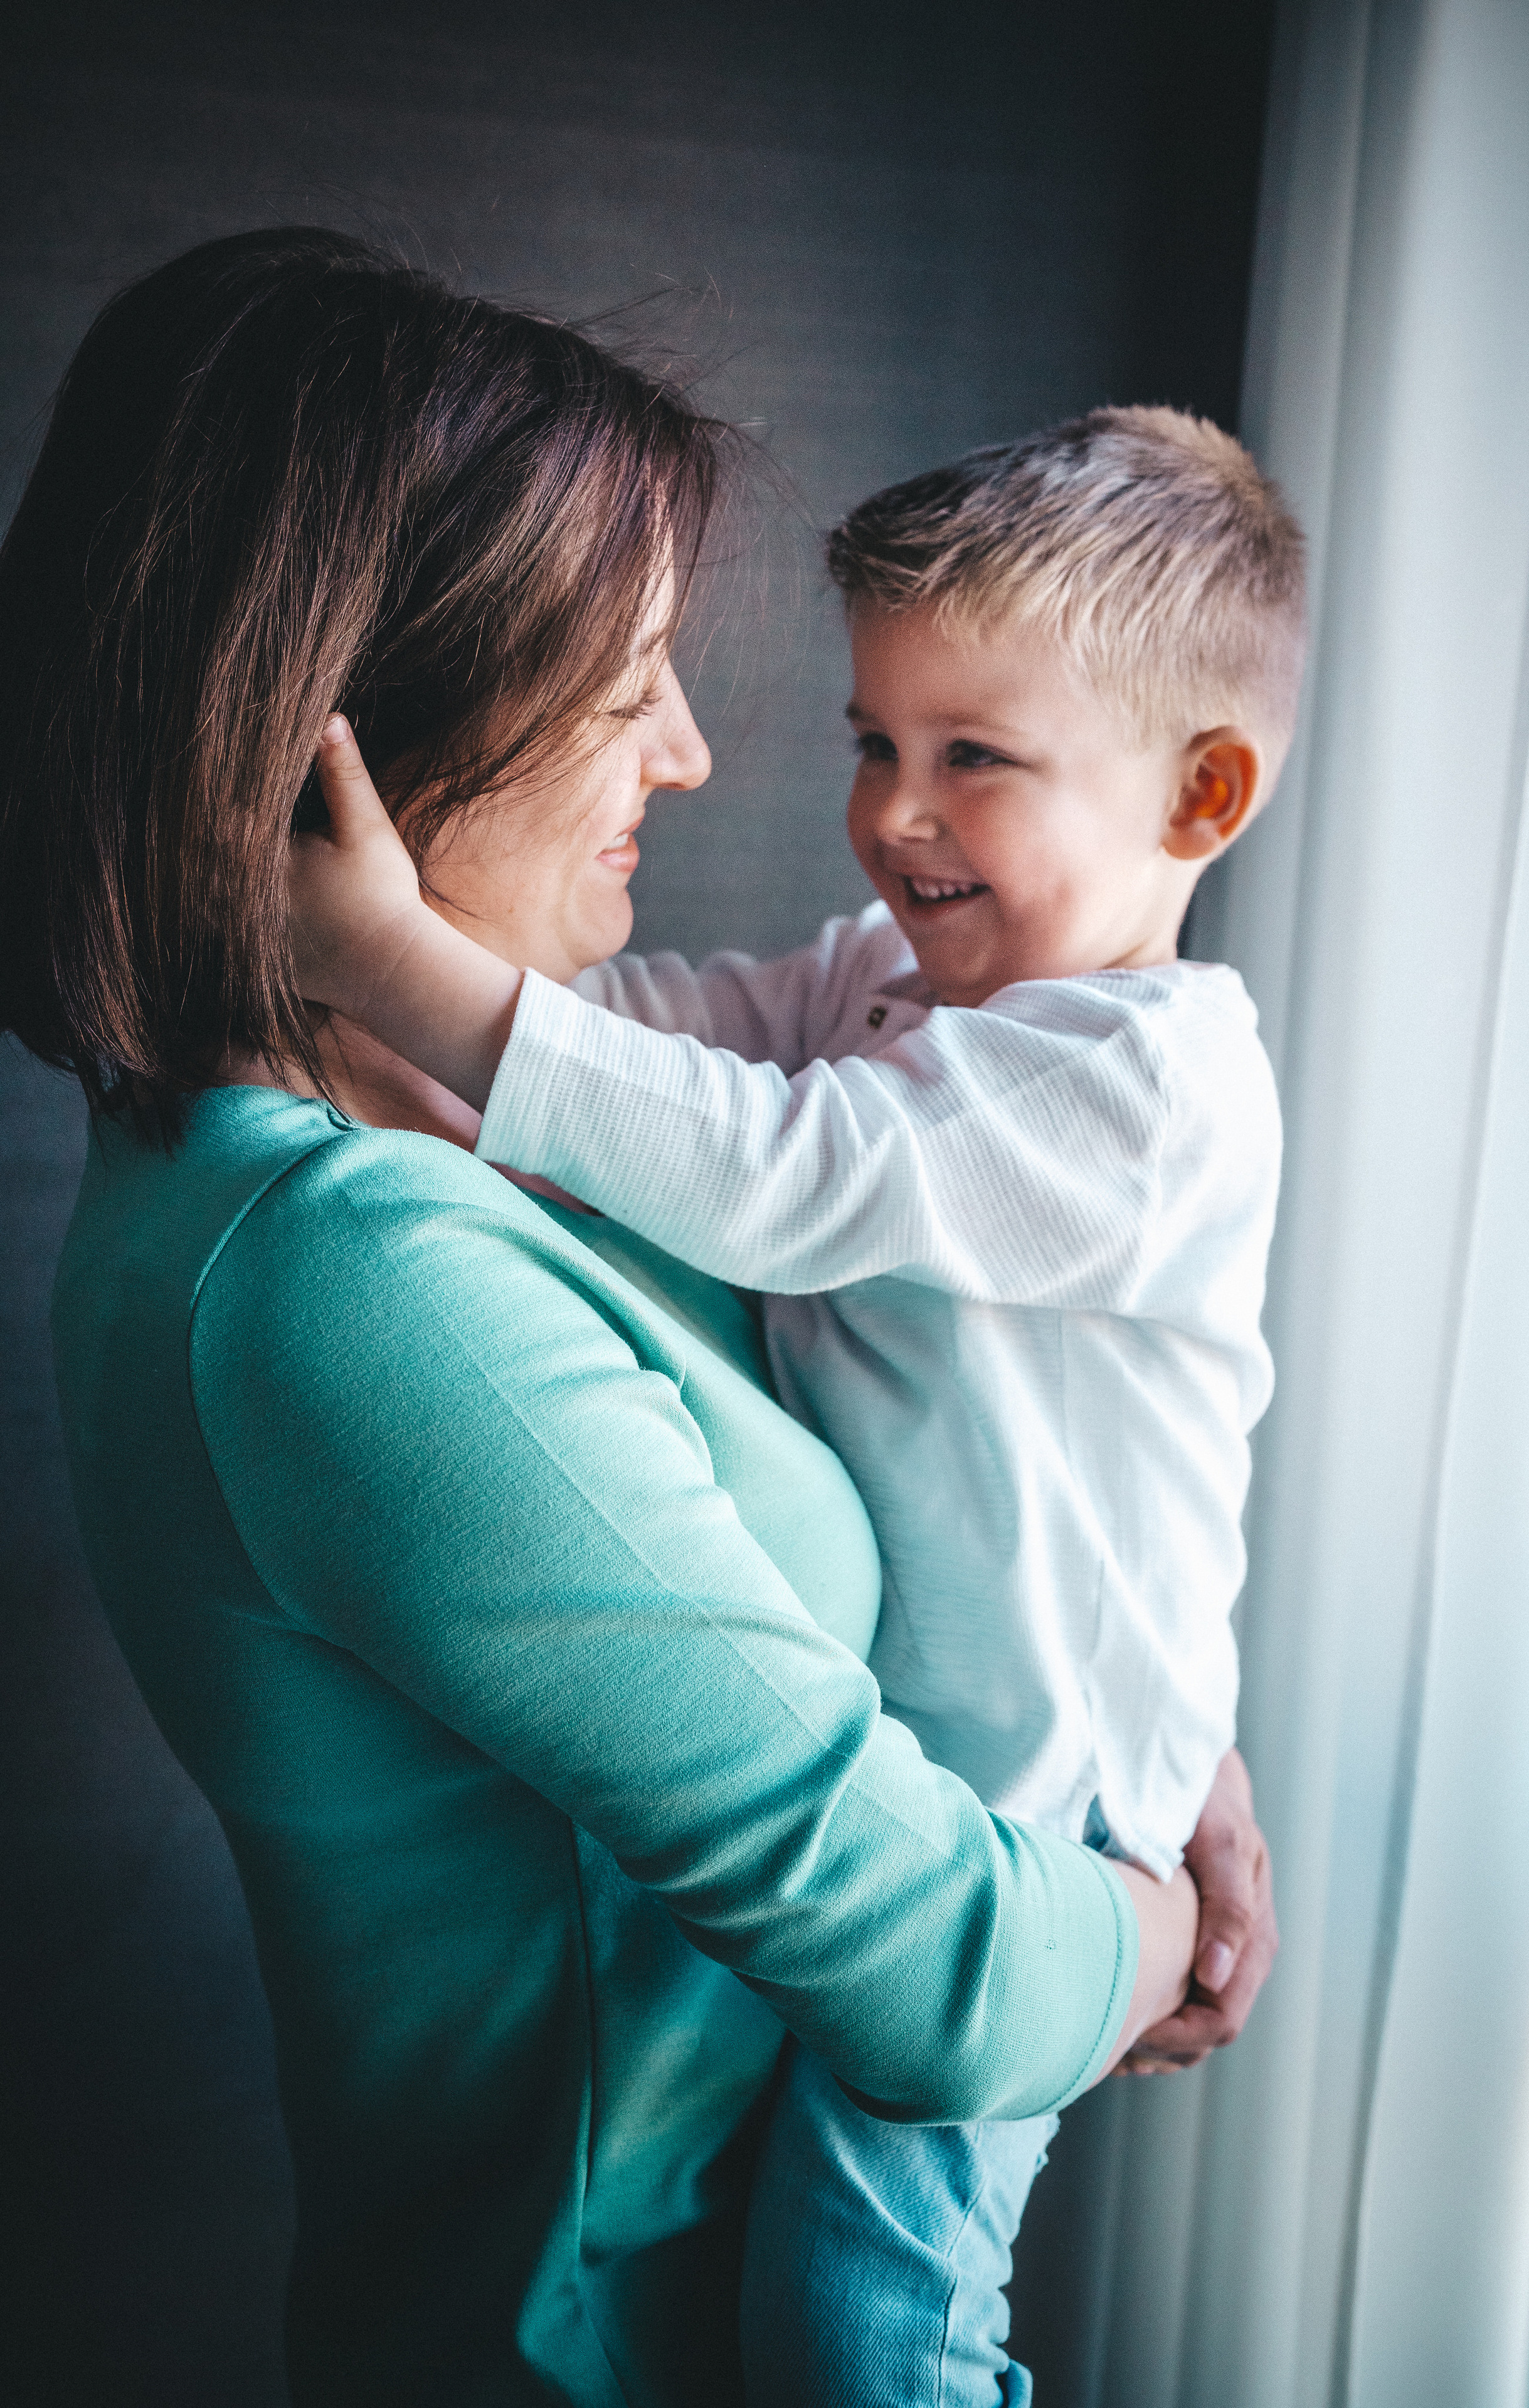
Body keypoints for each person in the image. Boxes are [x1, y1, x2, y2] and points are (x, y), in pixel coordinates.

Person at [0, 231, 1274, 2407]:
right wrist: (1158, 1920)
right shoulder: (346, 1273)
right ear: (375, 738)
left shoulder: (436, 1148)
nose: (698, 759)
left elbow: (955, 1398)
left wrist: (1160, 1722)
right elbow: (960, 1992)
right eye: (627, 686)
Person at [290, 406, 1301, 2404]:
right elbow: (668, 1033)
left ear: (1201, 793)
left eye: (973, 760)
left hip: (1050, 1801)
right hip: (950, 1770)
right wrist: (407, 1021)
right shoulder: (889, 983)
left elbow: (777, 1168)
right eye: (876, 743)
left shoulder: (1143, 1084)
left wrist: (399, 967)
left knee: (874, 2320)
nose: (894, 815)